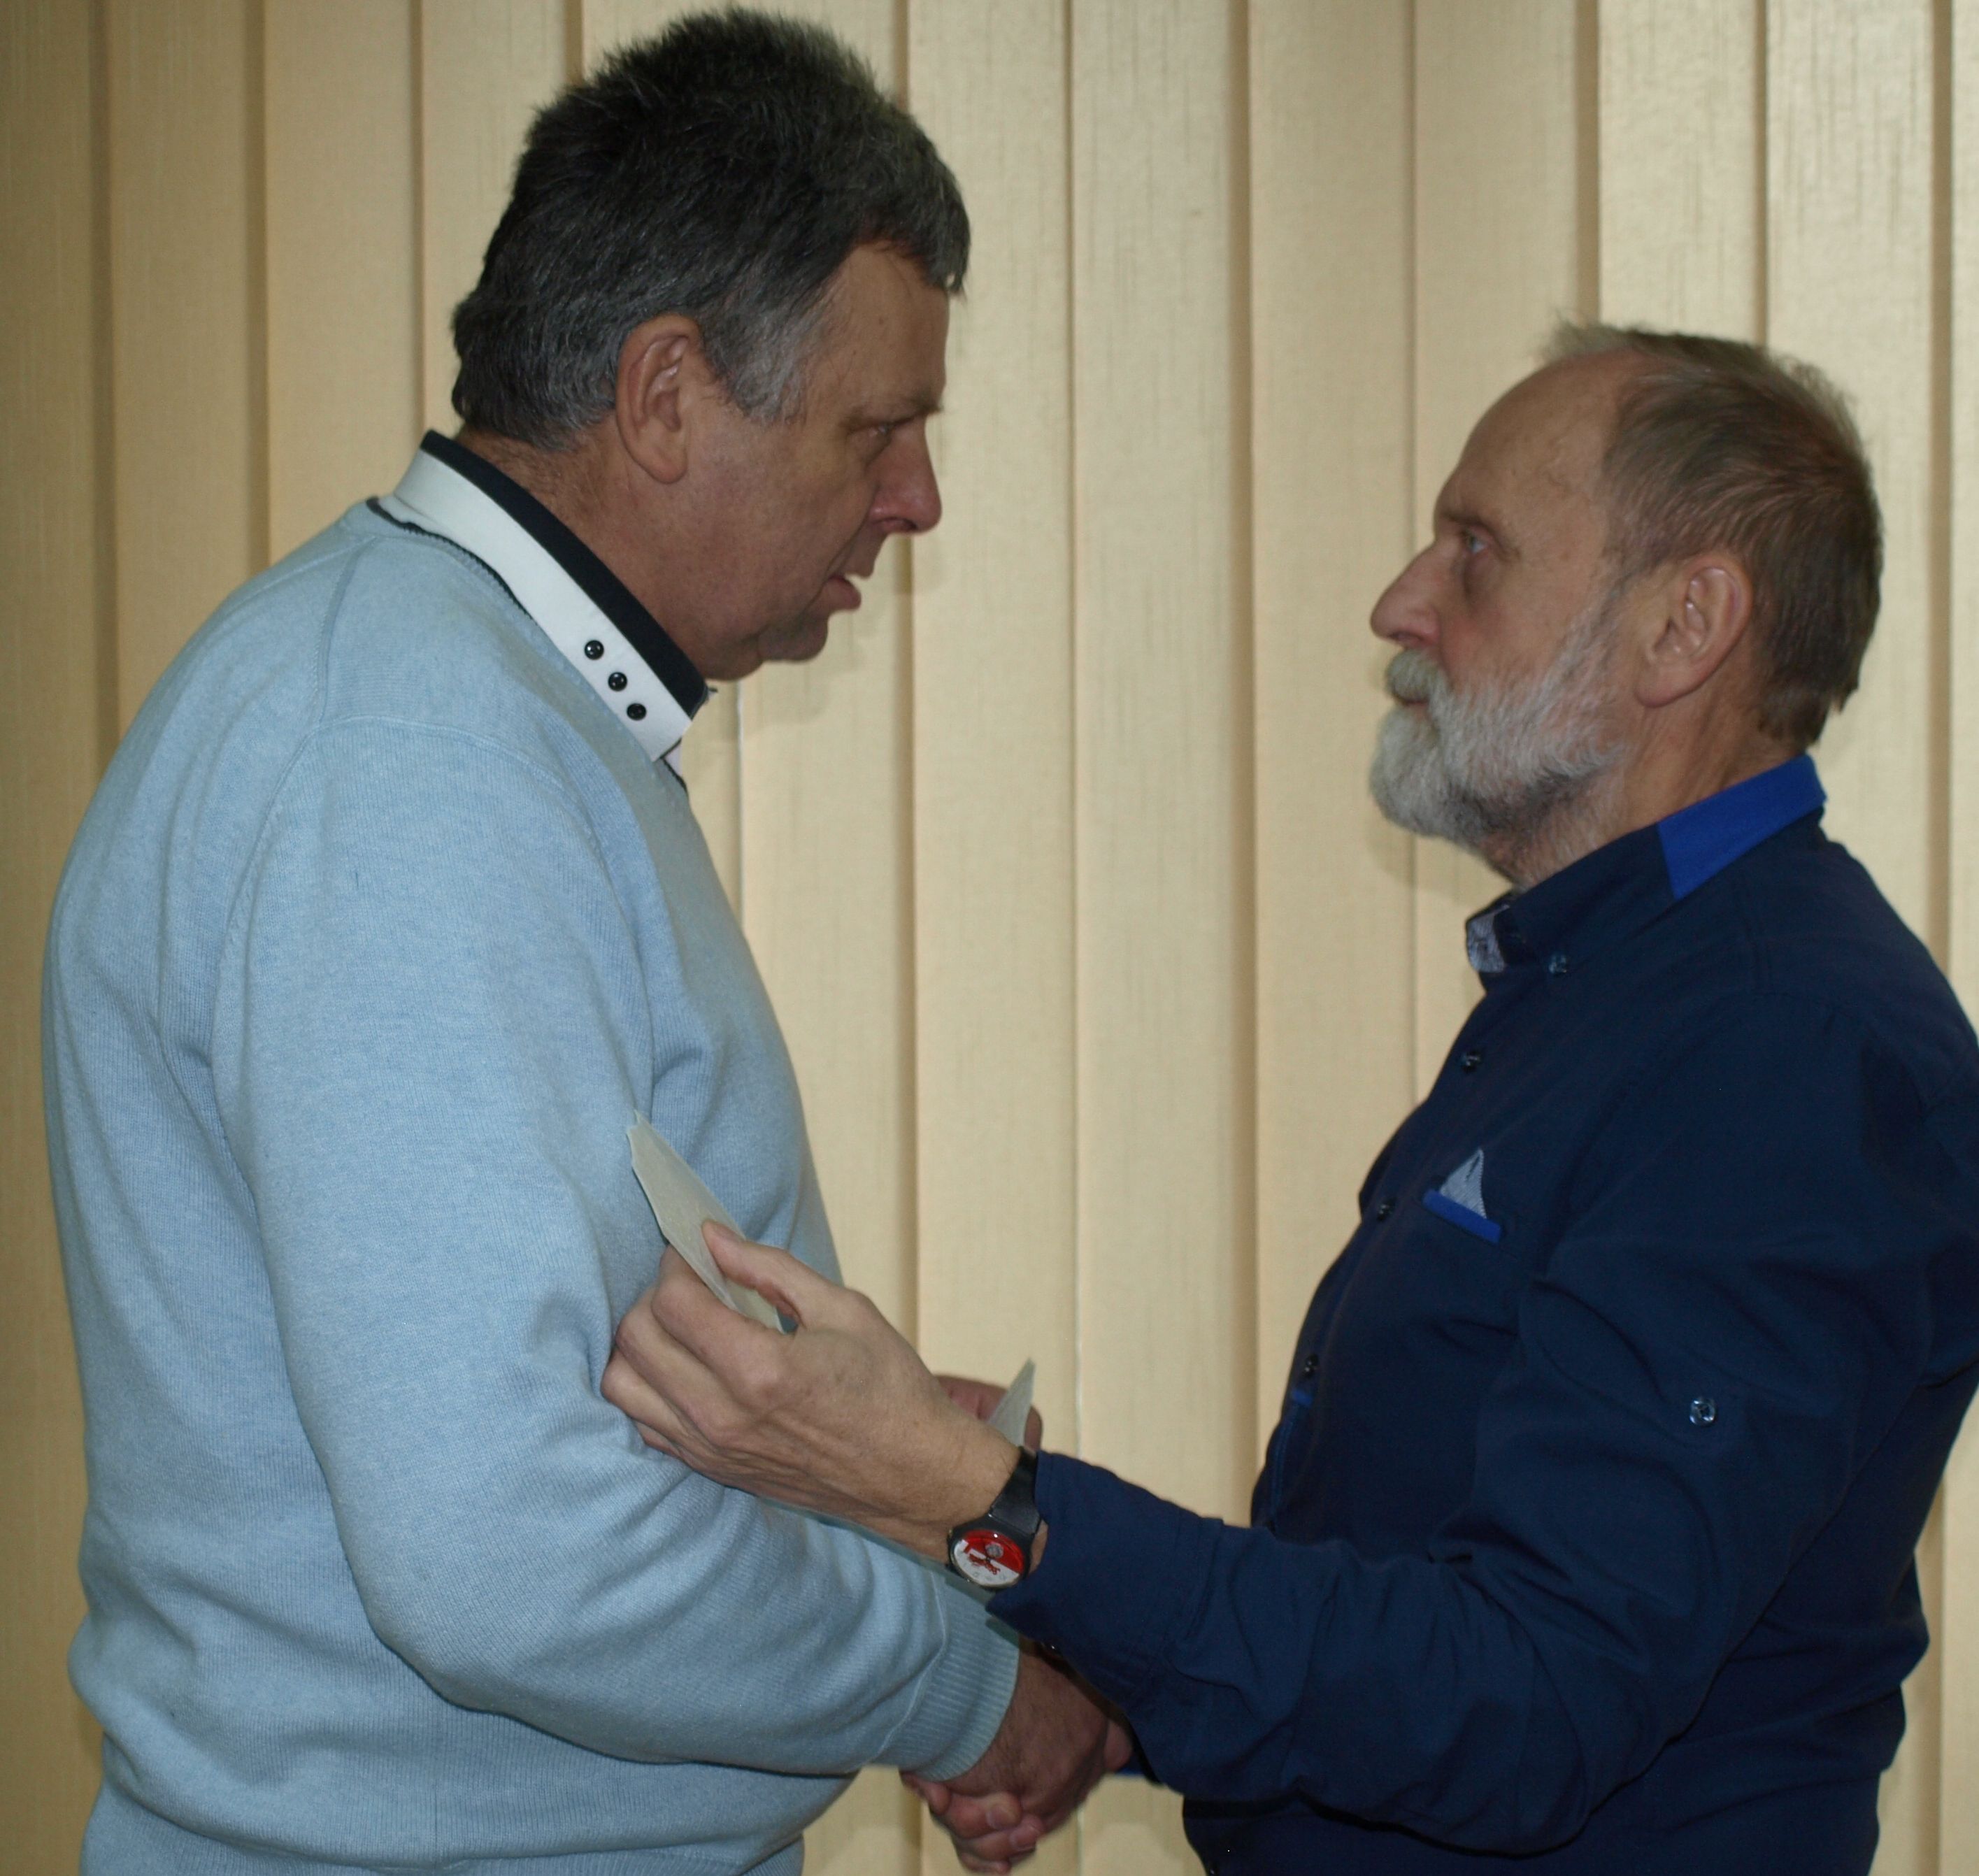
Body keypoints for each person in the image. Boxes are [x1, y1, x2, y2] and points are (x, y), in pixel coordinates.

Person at [603, 327, 1979, 1875]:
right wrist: (1111, 1693)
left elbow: (1529, 1701)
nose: (1400, 603)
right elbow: (1416, 1585)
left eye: (1475, 549)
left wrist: (974, 1503)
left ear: (1685, 626)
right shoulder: (1613, 987)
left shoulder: (1787, 1052)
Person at [41, 13, 1122, 1875]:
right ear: (666, 394)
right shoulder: (411, 746)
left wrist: (850, 1457)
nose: (915, 499)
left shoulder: (480, 706)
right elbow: (503, 1547)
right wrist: (959, 1684)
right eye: (878, 429)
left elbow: (551, 1372)